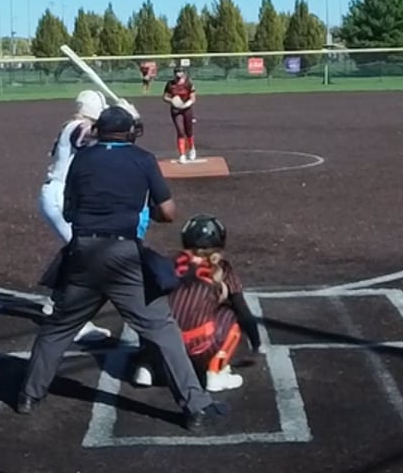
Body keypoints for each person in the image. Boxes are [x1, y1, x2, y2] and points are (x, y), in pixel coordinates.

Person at [16, 105, 227, 430]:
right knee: (161, 329)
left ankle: (29, 396)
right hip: (124, 256)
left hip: (83, 254)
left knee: (58, 327)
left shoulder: (82, 159)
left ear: (99, 131)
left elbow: (69, 212)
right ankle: (195, 406)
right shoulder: (143, 159)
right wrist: (143, 211)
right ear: (130, 132)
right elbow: (168, 212)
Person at [132, 214, 263, 393]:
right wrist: (256, 343)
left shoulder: (169, 261)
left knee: (151, 307)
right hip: (201, 348)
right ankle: (216, 373)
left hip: (165, 345)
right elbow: (243, 311)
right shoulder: (223, 268)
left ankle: (148, 366)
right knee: (231, 314)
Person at [36, 89, 117, 344]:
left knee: (78, 250)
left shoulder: (74, 125)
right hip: (60, 196)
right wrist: (125, 117)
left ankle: (56, 300)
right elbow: (91, 136)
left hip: (64, 196)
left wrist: (128, 121)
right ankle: (73, 321)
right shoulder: (77, 127)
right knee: (87, 254)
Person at [164, 66, 198, 163]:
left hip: (187, 109)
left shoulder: (188, 83)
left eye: (181, 71)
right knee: (180, 131)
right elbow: (165, 96)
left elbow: (193, 98)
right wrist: (172, 100)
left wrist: (186, 104)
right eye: (177, 72)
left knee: (189, 131)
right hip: (176, 110)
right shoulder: (170, 84)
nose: (179, 74)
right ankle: (182, 154)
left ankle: (192, 148)